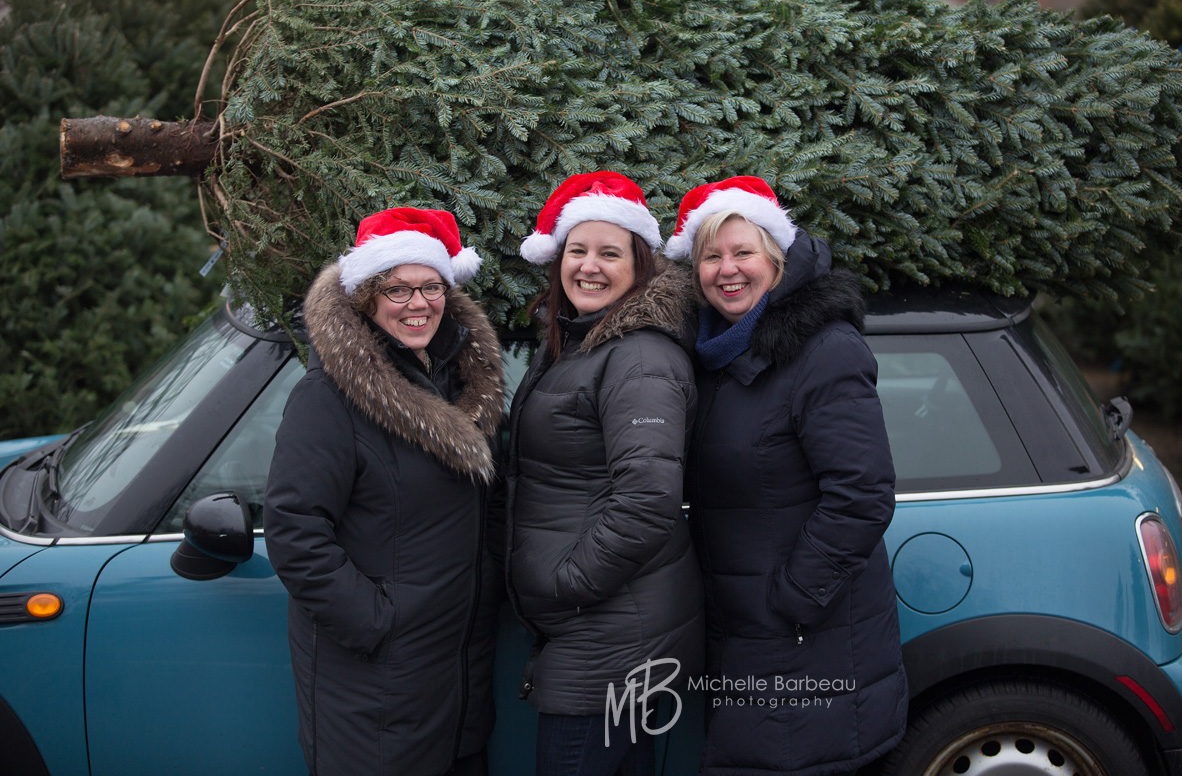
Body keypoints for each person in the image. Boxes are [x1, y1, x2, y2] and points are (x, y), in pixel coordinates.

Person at [663, 177, 908, 775]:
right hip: (744, 632)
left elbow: (861, 494)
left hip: (802, 638)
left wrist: (793, 599)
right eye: (711, 256)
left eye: (743, 252)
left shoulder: (823, 350)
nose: (727, 270)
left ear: (776, 257)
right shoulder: (714, 352)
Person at [263, 207, 506, 776]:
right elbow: (294, 528)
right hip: (375, 689)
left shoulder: (459, 382)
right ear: (367, 296)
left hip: (458, 680)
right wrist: (378, 623)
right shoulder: (329, 397)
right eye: (397, 289)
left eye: (430, 287)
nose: (418, 303)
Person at [506, 171, 704, 776]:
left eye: (610, 253)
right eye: (577, 250)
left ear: (639, 264)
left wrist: (567, 585)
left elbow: (647, 499)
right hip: (602, 630)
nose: (588, 266)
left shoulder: (638, 357)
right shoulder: (579, 342)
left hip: (607, 634)